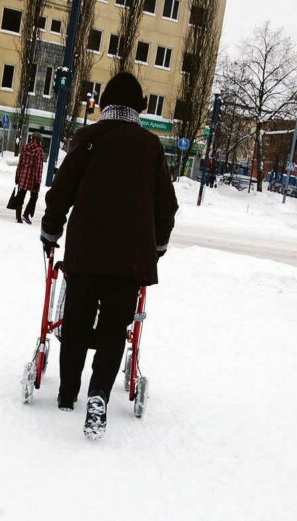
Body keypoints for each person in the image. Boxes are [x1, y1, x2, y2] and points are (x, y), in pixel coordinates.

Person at [40, 72, 178, 440]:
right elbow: (167, 206)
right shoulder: (151, 147)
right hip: (130, 260)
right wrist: (158, 246)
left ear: (103, 104)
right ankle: (99, 393)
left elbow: (62, 191)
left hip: (85, 252)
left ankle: (68, 392)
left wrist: (50, 230)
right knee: (116, 327)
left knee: (77, 320)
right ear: (140, 109)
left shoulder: (88, 139)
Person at [13, 133, 44, 224]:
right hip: (33, 178)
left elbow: (20, 163)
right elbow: (39, 167)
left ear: (31, 138)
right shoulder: (39, 151)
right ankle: (26, 214)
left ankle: (18, 217)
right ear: (39, 140)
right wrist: (38, 180)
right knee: (34, 197)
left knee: (21, 196)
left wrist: (17, 176)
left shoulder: (24, 147)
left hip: (23, 175)